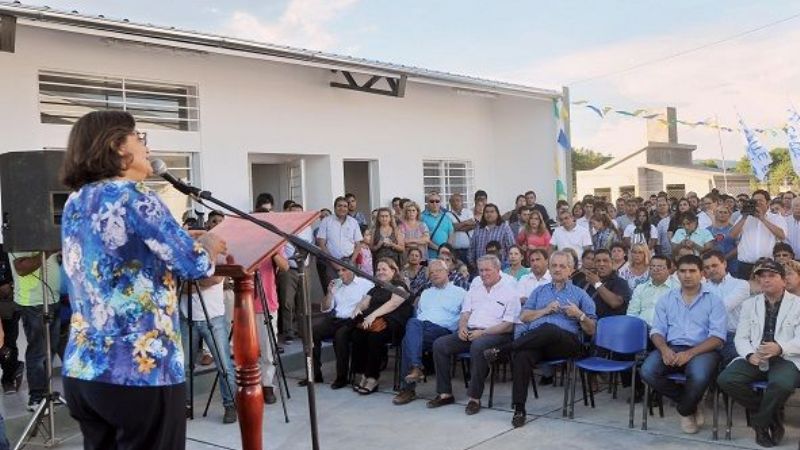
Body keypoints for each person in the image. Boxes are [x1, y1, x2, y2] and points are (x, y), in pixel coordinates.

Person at [60, 111, 226, 449]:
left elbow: (118, 253)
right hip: (140, 371)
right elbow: (194, 265)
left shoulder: (76, 201)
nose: (146, 147)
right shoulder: (137, 196)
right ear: (116, 146)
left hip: (85, 370)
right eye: (139, 137)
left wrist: (177, 236)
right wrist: (209, 243)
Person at [484, 250, 596, 428]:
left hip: (566, 343)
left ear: (571, 270)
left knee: (550, 329)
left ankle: (504, 350)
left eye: (562, 266)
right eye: (554, 266)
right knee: (523, 355)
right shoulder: (539, 292)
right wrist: (544, 311)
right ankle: (519, 409)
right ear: (549, 269)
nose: (557, 270)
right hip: (538, 343)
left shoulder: (581, 295)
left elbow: (592, 330)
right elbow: (524, 316)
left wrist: (579, 315)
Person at [716, 260, 800, 447]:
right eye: (762, 276)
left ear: (783, 280)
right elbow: (741, 338)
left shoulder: (798, 304)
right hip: (757, 355)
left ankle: (760, 424)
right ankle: (772, 416)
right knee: (726, 379)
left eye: (771, 276)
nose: (765, 280)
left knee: (782, 384)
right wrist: (749, 355)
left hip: (785, 358)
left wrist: (780, 347)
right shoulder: (750, 304)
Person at [640, 254, 726, 435]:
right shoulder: (666, 299)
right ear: (676, 274)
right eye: (683, 271)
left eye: (692, 271)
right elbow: (656, 330)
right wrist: (664, 350)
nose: (687, 275)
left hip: (704, 350)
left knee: (700, 375)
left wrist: (690, 353)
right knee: (647, 371)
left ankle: (685, 410)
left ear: (702, 273)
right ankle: (692, 402)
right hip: (672, 347)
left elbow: (717, 337)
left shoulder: (714, 300)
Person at [427, 255, 520, 415]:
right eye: (481, 270)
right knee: (440, 344)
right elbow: (465, 313)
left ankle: (474, 398)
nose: (483, 274)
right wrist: (462, 327)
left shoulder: (510, 293)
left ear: (498, 270)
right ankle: (445, 393)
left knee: (478, 346)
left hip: (497, 335)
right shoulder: (474, 290)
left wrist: (483, 332)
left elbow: (509, 326)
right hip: (471, 331)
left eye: (487, 270)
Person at [393, 259, 466, 405]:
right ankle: (415, 368)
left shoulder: (460, 293)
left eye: (438, 270)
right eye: (431, 272)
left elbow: (466, 315)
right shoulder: (426, 293)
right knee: (412, 328)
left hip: (443, 331)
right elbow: (419, 315)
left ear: (447, 272)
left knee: (409, 335)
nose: (434, 274)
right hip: (422, 330)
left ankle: (409, 386)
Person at [179, 275, 238, 423]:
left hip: (214, 316)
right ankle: (185, 404)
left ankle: (230, 404)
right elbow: (180, 287)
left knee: (224, 365)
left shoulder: (214, 253)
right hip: (187, 318)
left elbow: (217, 279)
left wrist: (192, 283)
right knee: (184, 366)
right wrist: (201, 283)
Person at [9, 248, 62, 412]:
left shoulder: (45, 233)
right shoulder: (20, 235)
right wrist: (49, 250)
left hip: (53, 298)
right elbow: (21, 268)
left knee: (50, 349)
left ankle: (47, 394)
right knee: (38, 353)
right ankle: (36, 398)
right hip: (33, 302)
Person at [349, 258, 412, 394]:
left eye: (384, 269)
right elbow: (365, 303)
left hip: (392, 322)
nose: (380, 272)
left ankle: (372, 378)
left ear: (393, 271)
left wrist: (373, 315)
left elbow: (393, 304)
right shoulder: (376, 287)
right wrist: (358, 308)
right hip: (374, 321)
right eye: (378, 269)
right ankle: (362, 373)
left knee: (374, 337)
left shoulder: (399, 285)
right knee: (357, 334)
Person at [310, 262, 374, 388]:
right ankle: (315, 374)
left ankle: (341, 377)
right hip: (336, 318)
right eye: (338, 270)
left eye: (344, 270)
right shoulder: (336, 284)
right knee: (313, 332)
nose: (340, 273)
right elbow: (326, 308)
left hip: (353, 320)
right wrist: (329, 293)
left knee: (340, 337)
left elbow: (369, 304)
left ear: (352, 270)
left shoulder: (365, 284)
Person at [701, 250, 750, 366]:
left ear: (725, 264)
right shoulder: (702, 287)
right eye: (707, 267)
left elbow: (723, 307)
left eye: (714, 265)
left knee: (730, 369)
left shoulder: (741, 284)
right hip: (708, 335)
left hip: (733, 335)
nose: (711, 270)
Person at [731, 189, 788, 280]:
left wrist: (762, 219)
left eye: (760, 201)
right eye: (754, 201)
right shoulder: (744, 217)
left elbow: (782, 235)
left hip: (767, 265)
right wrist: (744, 217)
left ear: (768, 202)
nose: (757, 203)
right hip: (745, 265)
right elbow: (732, 235)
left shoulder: (776, 218)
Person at [317, 196, 363, 291]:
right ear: (334, 208)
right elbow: (321, 243)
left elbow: (358, 244)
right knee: (333, 290)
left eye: (345, 206)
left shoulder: (353, 222)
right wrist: (333, 262)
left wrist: (351, 262)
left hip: (349, 261)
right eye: (339, 206)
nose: (342, 208)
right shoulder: (326, 221)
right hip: (331, 261)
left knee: (351, 289)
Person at [626, 255, 676, 326]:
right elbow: (632, 314)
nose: (655, 269)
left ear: (669, 270)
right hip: (642, 330)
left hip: (667, 330)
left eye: (660, 267)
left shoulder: (676, 289)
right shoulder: (640, 288)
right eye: (653, 266)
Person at [582, 249, 631, 318]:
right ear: (594, 264)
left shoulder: (620, 282)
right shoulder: (586, 281)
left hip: (609, 324)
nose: (602, 264)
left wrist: (597, 284)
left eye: (605, 261)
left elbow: (615, 303)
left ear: (612, 263)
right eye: (598, 261)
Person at [0, 245, 22, 395]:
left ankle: (8, 377)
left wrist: (6, 283)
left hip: (5, 302)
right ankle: (14, 367)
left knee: (7, 341)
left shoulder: (5, 247)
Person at [421, 192, 454, 260]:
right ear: (427, 203)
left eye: (437, 201)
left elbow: (451, 235)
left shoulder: (446, 217)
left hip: (445, 256)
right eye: (431, 201)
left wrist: (447, 248)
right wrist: (439, 249)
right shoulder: (422, 217)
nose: (434, 203)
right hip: (429, 255)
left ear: (440, 203)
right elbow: (423, 237)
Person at [707, 205, 738, 275]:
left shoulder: (735, 229)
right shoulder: (708, 230)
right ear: (715, 213)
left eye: (725, 212)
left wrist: (725, 257)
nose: (722, 214)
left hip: (732, 265)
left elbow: (739, 247)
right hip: (712, 264)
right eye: (720, 212)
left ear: (729, 215)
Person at [448, 193, 475, 264]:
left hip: (469, 249)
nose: (455, 203)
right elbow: (452, 227)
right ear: (450, 203)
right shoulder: (447, 215)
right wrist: (466, 222)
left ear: (462, 202)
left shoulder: (468, 212)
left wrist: (457, 226)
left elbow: (473, 225)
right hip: (455, 251)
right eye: (453, 201)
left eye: (458, 200)